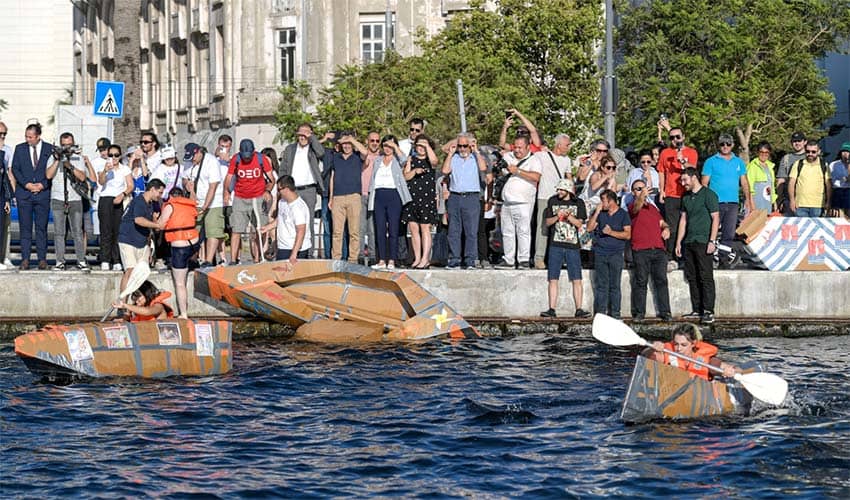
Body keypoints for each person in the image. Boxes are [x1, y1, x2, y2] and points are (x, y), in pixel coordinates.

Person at [540, 178, 591, 318]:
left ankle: (579, 308)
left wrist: (569, 217)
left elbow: (580, 224)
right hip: (555, 244)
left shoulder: (578, 203)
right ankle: (551, 308)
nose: (559, 192)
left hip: (572, 245)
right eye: (558, 189)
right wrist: (558, 216)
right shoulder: (552, 201)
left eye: (561, 190)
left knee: (576, 278)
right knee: (553, 278)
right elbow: (548, 222)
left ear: (568, 190)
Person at [46, 132, 96, 270]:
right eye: (64, 146)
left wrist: (69, 166)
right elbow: (48, 175)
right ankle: (60, 261)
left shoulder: (77, 158)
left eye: (69, 145)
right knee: (59, 232)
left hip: (75, 199)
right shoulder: (52, 158)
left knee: (77, 232)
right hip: (58, 198)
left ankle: (80, 260)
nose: (67, 148)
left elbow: (82, 177)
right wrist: (58, 160)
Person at [701, 133, 753, 267]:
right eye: (722, 144)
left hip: (733, 203)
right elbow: (704, 183)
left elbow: (744, 182)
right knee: (709, 231)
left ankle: (723, 261)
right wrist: (704, 201)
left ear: (733, 145)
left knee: (728, 233)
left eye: (728, 144)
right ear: (718, 145)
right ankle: (706, 259)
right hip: (715, 203)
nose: (725, 147)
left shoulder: (738, 162)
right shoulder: (711, 161)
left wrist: (748, 200)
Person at [676, 167, 719, 325]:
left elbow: (715, 218)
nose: (683, 183)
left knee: (705, 276)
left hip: (703, 241)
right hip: (689, 241)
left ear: (694, 178)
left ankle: (708, 310)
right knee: (692, 276)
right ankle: (697, 308)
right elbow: (683, 220)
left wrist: (712, 241)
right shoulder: (686, 197)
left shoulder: (709, 195)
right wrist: (679, 241)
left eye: (685, 180)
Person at [10, 122, 54, 270]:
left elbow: (52, 170)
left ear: (38, 136)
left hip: (42, 194)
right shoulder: (20, 148)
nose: (28, 139)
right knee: (25, 228)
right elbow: (15, 169)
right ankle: (25, 259)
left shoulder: (49, 149)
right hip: (25, 194)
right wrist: (26, 184)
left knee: (42, 228)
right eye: (26, 136)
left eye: (30, 137)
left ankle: (42, 259)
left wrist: (43, 184)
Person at [627, 179, 672, 322]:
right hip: (641, 249)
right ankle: (639, 313)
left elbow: (661, 222)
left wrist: (666, 228)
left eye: (643, 188)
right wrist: (642, 195)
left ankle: (665, 312)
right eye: (638, 189)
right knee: (641, 281)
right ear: (633, 192)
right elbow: (636, 209)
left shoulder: (653, 209)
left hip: (658, 249)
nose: (641, 191)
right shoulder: (631, 205)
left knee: (662, 281)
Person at [224, 139, 275, 264]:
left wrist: (267, 191)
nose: (246, 159)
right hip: (240, 197)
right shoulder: (236, 159)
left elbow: (271, 180)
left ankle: (257, 258)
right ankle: (233, 259)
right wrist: (226, 192)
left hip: (258, 197)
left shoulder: (261, 159)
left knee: (258, 229)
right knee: (236, 229)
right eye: (244, 156)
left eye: (249, 156)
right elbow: (229, 177)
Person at [495, 136, 542, 269]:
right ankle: (508, 259)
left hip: (524, 202)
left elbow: (536, 176)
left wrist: (518, 171)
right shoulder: (509, 156)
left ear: (528, 147)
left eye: (520, 147)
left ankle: (523, 259)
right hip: (507, 201)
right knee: (507, 231)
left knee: (523, 231)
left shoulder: (534, 159)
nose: (517, 150)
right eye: (515, 147)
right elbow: (501, 171)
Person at [441, 133, 488, 269]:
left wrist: (476, 151)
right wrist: (451, 153)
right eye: (460, 146)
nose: (462, 149)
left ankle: (470, 260)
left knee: (471, 231)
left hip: (471, 197)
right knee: (454, 230)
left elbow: (483, 168)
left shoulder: (475, 157)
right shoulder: (454, 157)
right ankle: (454, 259)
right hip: (455, 196)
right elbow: (445, 170)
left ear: (470, 145)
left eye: (464, 146)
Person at [367, 135, 411, 270]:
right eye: (385, 146)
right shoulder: (378, 160)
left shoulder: (397, 159)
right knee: (379, 228)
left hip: (393, 195)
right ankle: (381, 259)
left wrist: (395, 146)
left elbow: (404, 160)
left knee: (393, 228)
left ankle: (392, 259)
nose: (387, 149)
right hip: (379, 195)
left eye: (390, 146)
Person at [280, 123, 325, 251]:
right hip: (292, 189)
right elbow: (283, 169)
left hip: (309, 189)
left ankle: (309, 252)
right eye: (301, 133)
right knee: (290, 220)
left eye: (306, 133)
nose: (303, 136)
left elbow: (321, 153)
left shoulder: (313, 148)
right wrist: (282, 187)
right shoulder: (290, 149)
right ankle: (293, 249)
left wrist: (312, 138)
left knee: (308, 221)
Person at [586, 189, 631, 318]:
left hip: (616, 254)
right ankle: (600, 313)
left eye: (603, 200)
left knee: (614, 285)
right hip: (600, 253)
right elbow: (589, 228)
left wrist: (611, 233)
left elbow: (627, 234)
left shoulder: (623, 215)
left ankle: (615, 313)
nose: (601, 203)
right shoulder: (601, 214)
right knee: (601, 285)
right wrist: (597, 212)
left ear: (610, 201)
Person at [657, 127, 698, 266]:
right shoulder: (665, 153)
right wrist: (661, 190)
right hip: (671, 194)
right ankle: (671, 256)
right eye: (672, 137)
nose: (675, 140)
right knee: (672, 226)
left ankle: (686, 257)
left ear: (683, 137)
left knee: (689, 225)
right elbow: (661, 172)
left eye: (677, 137)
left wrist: (682, 161)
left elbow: (693, 169)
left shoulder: (691, 152)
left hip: (687, 193)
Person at [118, 178, 166, 293]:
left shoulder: (150, 204)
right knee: (130, 271)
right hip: (128, 240)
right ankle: (122, 303)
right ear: (153, 189)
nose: (160, 196)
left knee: (141, 273)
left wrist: (149, 248)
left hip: (142, 242)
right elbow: (138, 220)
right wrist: (156, 224)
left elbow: (147, 227)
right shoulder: (139, 201)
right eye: (160, 192)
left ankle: (138, 302)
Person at [158, 187, 199, 319]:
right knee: (185, 269)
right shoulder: (190, 205)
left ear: (171, 196)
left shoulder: (170, 206)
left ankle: (183, 314)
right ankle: (191, 263)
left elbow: (160, 225)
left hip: (179, 246)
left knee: (180, 283)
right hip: (194, 244)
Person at [533, 134, 572, 270]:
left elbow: (569, 178)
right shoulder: (542, 156)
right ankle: (539, 258)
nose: (569, 147)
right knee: (543, 227)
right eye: (567, 145)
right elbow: (533, 137)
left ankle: (557, 259)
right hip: (544, 196)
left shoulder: (567, 160)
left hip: (560, 197)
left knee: (560, 228)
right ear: (559, 144)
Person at [328, 133, 368, 263]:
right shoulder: (336, 157)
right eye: (344, 143)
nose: (346, 146)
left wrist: (351, 139)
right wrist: (331, 198)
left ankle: (353, 259)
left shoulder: (357, 157)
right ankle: (336, 258)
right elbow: (332, 178)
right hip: (338, 197)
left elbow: (365, 152)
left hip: (354, 196)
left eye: (348, 143)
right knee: (337, 232)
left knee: (354, 231)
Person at [402, 135, 440, 269]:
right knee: (413, 228)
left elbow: (435, 162)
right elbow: (405, 177)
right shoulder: (411, 159)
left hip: (426, 198)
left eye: (424, 145)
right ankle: (417, 258)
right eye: (419, 145)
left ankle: (425, 258)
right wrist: (414, 171)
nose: (421, 148)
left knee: (425, 228)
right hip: (413, 197)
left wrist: (427, 145)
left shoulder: (430, 160)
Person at [183, 143, 224, 266]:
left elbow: (213, 186)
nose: (192, 161)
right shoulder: (189, 161)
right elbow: (184, 177)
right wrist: (187, 184)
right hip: (195, 201)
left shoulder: (211, 162)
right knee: (194, 230)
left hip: (213, 203)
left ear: (199, 152)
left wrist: (205, 206)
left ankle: (209, 260)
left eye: (193, 157)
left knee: (213, 230)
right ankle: (193, 258)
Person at [650, 323, 739, 380]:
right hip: (670, 390)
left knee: (714, 367)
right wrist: (653, 348)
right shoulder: (666, 352)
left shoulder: (708, 360)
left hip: (695, 394)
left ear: (693, 344)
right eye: (676, 344)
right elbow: (647, 356)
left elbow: (737, 370)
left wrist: (730, 371)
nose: (678, 349)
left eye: (684, 345)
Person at [95, 144, 134, 271]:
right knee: (105, 230)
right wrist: (106, 170)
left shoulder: (125, 169)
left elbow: (130, 185)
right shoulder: (104, 167)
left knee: (118, 230)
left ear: (120, 155)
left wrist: (122, 195)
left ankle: (117, 259)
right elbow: (101, 182)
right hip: (106, 199)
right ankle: (105, 259)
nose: (113, 157)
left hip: (119, 199)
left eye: (116, 155)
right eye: (111, 155)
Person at [261, 175, 312, 265]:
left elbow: (301, 231)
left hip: (294, 249)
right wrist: (266, 228)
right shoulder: (282, 202)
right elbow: (280, 219)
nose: (278, 193)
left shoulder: (298, 208)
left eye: (279, 190)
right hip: (283, 247)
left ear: (287, 189)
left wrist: (294, 254)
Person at [788, 140, 832, 217]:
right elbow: (791, 183)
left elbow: (828, 185)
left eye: (813, 152)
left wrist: (828, 202)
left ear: (818, 152)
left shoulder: (824, 165)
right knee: (802, 229)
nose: (810, 154)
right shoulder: (798, 164)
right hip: (800, 205)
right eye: (808, 151)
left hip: (818, 206)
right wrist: (792, 200)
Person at [359, 131, 381, 263]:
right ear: (367, 141)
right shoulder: (362, 155)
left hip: (375, 194)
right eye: (372, 140)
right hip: (362, 193)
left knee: (373, 228)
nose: (374, 143)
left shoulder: (383, 156)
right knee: (360, 228)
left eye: (377, 141)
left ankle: (373, 255)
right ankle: (361, 255)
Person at [776, 131, 807, 215]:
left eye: (799, 141)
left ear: (805, 142)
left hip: (808, 202)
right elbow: (781, 180)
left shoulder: (810, 157)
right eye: (794, 141)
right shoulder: (786, 159)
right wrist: (779, 199)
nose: (797, 143)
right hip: (789, 202)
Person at [746, 141, 777, 212]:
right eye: (761, 152)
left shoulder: (770, 167)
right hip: (756, 203)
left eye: (766, 152)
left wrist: (774, 203)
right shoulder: (752, 166)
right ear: (757, 152)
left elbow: (771, 188)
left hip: (767, 204)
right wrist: (752, 206)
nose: (764, 154)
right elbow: (749, 188)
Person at [0, 121, 14, 269]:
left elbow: (9, 174)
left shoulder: (8, 150)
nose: (2, 137)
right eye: (0, 134)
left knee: (6, 227)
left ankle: (5, 256)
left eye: (4, 134)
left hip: (3, 192)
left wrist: (10, 197)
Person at [829, 142, 850, 216]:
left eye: (847, 152)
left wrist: (848, 165)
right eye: (844, 151)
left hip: (848, 190)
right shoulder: (834, 164)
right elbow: (831, 179)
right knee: (837, 213)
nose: (845, 154)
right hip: (837, 190)